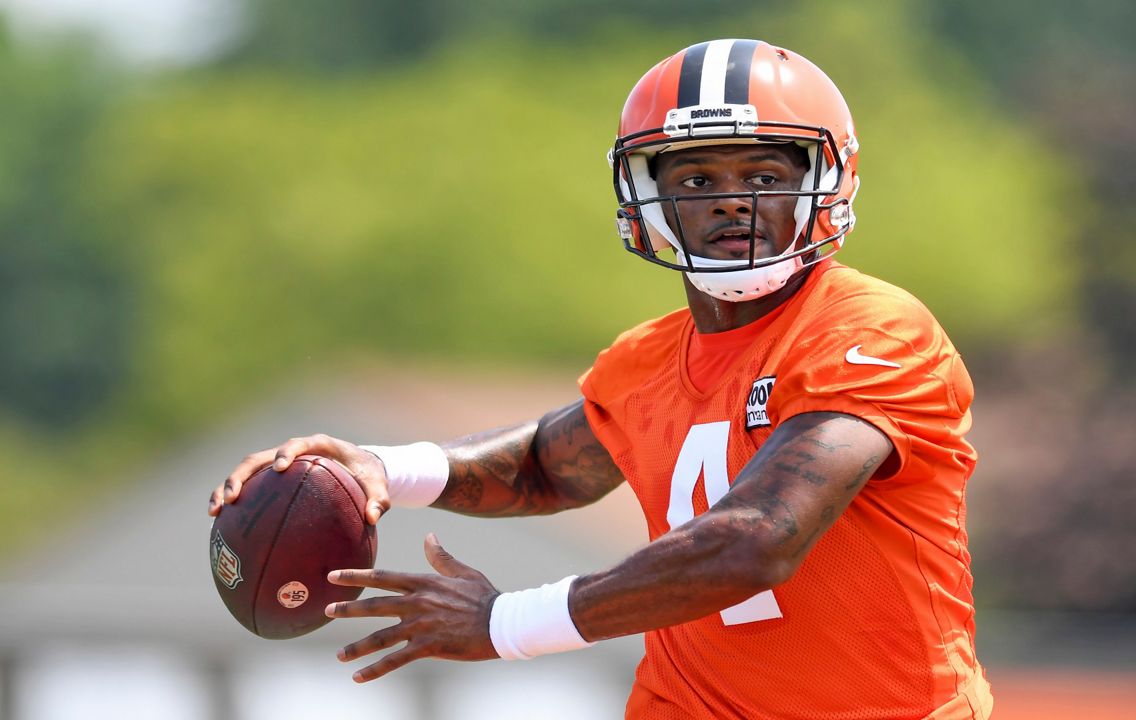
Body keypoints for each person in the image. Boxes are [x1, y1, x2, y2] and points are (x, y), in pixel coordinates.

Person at [209, 38, 993, 719]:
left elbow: (756, 541)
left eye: (760, 174)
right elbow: (550, 466)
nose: (732, 204)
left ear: (828, 182)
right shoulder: (649, 358)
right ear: (647, 199)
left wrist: (504, 623)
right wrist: (384, 466)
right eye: (695, 182)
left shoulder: (873, 329)